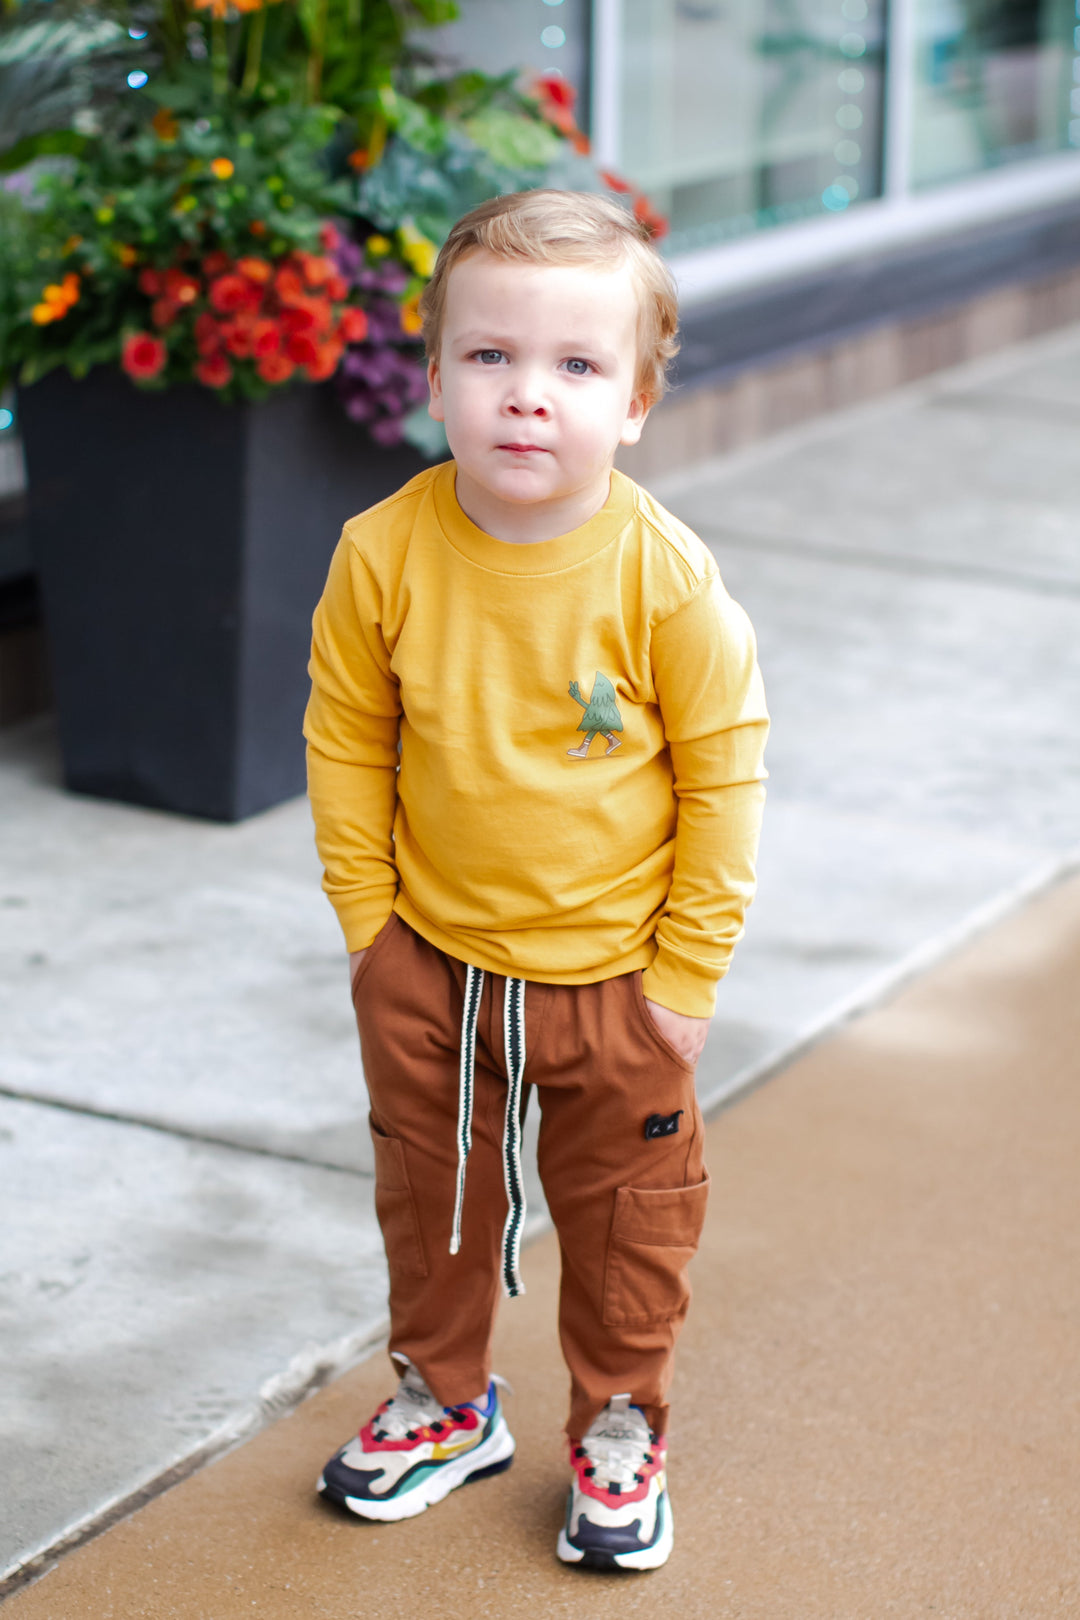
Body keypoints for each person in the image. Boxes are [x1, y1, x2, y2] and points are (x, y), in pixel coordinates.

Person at [304, 189, 769, 1571]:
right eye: (490, 356)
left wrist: (684, 982)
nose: (526, 397)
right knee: (429, 1202)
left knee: (630, 1226)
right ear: (433, 370)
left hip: (616, 979)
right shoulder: (381, 553)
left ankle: (621, 1423)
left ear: (634, 402)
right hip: (430, 961)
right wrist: (367, 928)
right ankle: (445, 1401)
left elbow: (726, 779)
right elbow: (348, 734)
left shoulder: (666, 583)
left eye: (576, 367)